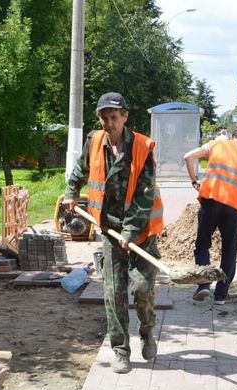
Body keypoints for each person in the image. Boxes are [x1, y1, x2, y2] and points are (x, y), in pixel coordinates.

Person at [63, 92, 164, 374]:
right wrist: (72, 191)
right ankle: (120, 350)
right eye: (105, 118)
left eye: (114, 117)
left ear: (125, 117)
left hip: (141, 231)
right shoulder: (95, 142)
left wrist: (130, 233)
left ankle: (146, 331)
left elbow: (144, 196)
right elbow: (79, 171)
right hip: (109, 231)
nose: (109, 123)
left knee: (143, 288)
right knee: (113, 292)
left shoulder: (143, 147)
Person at [183, 123, 237, 304]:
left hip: (210, 201)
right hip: (233, 208)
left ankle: (203, 285)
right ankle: (221, 295)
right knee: (229, 252)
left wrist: (195, 181)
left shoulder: (216, 145)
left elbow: (188, 157)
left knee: (202, 245)